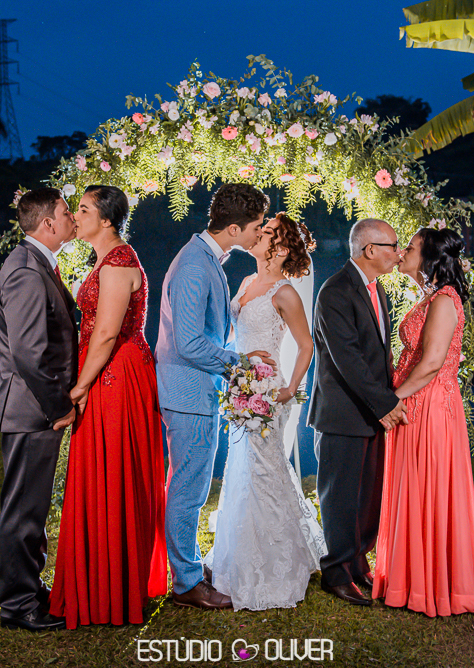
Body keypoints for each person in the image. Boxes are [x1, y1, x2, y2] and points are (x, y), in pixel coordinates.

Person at [48, 185, 168, 629]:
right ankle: (97, 580)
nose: (74, 216)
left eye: (82, 210)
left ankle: (112, 588)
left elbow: (105, 333)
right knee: (99, 470)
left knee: (113, 469)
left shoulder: (119, 261)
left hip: (115, 375)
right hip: (105, 370)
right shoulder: (105, 257)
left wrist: (79, 387)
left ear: (107, 220)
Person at [155, 182, 274, 610]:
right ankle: (186, 583)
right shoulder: (193, 265)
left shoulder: (207, 258)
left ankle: (186, 565)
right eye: (258, 227)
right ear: (236, 227)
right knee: (188, 489)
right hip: (186, 391)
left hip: (196, 389)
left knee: (193, 485)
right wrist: (239, 364)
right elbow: (188, 343)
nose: (262, 234)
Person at [205, 212, 327, 611]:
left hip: (267, 394)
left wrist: (288, 388)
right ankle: (238, 556)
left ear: (283, 248)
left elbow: (307, 345)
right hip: (240, 388)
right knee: (242, 470)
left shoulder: (285, 292)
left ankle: (275, 566)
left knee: (264, 470)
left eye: (268, 232)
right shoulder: (245, 282)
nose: (259, 235)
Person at [372, 226, 474, 617]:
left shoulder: (444, 300)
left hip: (428, 406)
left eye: (411, 247)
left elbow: (433, 362)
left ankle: (433, 584)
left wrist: (392, 398)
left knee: (428, 486)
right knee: (412, 486)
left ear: (429, 258)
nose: (403, 251)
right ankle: (408, 576)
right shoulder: (430, 297)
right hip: (414, 403)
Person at [0, 187, 79, 632]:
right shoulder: (26, 270)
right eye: (67, 213)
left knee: (31, 506)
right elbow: (28, 353)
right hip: (32, 409)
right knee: (24, 510)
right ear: (47, 223)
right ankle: (19, 605)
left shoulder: (36, 263)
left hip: (32, 408)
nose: (72, 219)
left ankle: (29, 589)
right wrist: (58, 406)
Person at [308, 218, 407, 607]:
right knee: (341, 498)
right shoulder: (336, 291)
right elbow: (346, 358)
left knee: (367, 496)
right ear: (369, 250)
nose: (398, 254)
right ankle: (335, 572)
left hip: (368, 414)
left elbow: (378, 356)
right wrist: (386, 404)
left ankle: (357, 563)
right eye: (392, 246)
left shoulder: (377, 290)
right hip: (342, 414)